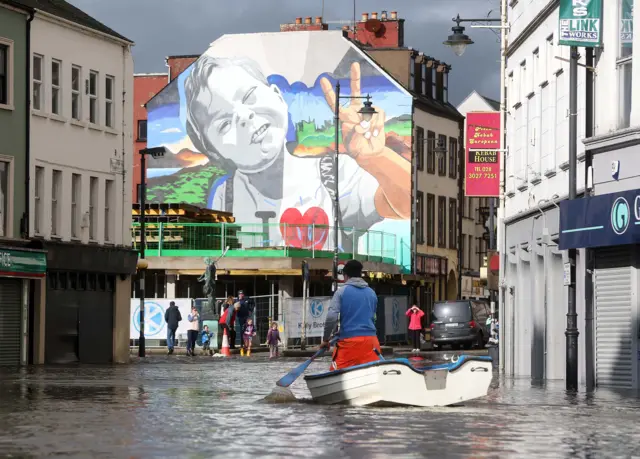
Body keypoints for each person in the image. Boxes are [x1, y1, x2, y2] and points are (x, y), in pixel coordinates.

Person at [184, 56, 411, 253]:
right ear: (215, 151)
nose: (244, 117)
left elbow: (409, 205)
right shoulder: (225, 196)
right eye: (224, 123)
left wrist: (377, 157)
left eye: (250, 96)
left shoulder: (334, 173)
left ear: (279, 98)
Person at [321, 259, 381, 370]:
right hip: (371, 342)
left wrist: (325, 339)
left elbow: (331, 317)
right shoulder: (372, 293)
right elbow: (374, 318)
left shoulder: (341, 292)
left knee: (336, 376)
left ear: (345, 275)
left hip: (349, 343)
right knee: (370, 373)